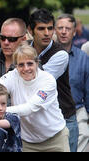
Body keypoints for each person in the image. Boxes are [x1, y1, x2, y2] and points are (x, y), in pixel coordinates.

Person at [0, 44, 69, 152]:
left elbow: (29, 108)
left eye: (30, 63)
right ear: (15, 66)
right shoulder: (11, 76)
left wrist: (0, 111)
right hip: (27, 142)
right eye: (21, 65)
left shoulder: (48, 80)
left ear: (37, 63)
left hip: (55, 139)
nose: (26, 69)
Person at [28, 8, 77, 152]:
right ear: (30, 30)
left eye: (50, 28)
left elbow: (37, 81)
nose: (47, 33)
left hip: (64, 119)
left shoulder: (60, 54)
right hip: (36, 122)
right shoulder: (24, 50)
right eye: (41, 29)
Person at [55, 14, 89, 152]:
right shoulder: (45, 56)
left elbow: (88, 90)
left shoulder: (82, 58)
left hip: (77, 109)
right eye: (60, 28)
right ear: (55, 30)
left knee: (84, 134)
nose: (64, 31)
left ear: (74, 32)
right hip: (53, 112)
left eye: (68, 28)